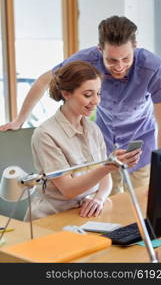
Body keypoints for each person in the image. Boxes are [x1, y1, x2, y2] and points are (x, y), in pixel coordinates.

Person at [0, 16, 161, 194]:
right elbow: (43, 81)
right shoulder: (86, 60)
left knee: (143, 205)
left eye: (126, 58)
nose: (119, 66)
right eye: (112, 60)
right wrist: (19, 120)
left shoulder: (154, 68)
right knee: (110, 208)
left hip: (141, 146)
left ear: (135, 46)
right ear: (100, 50)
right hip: (105, 143)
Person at [24, 61, 141, 220]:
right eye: (88, 95)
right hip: (52, 216)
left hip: (86, 213)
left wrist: (99, 199)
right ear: (66, 94)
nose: (96, 101)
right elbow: (68, 189)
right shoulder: (45, 134)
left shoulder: (93, 129)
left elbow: (105, 181)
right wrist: (108, 167)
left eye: (98, 93)